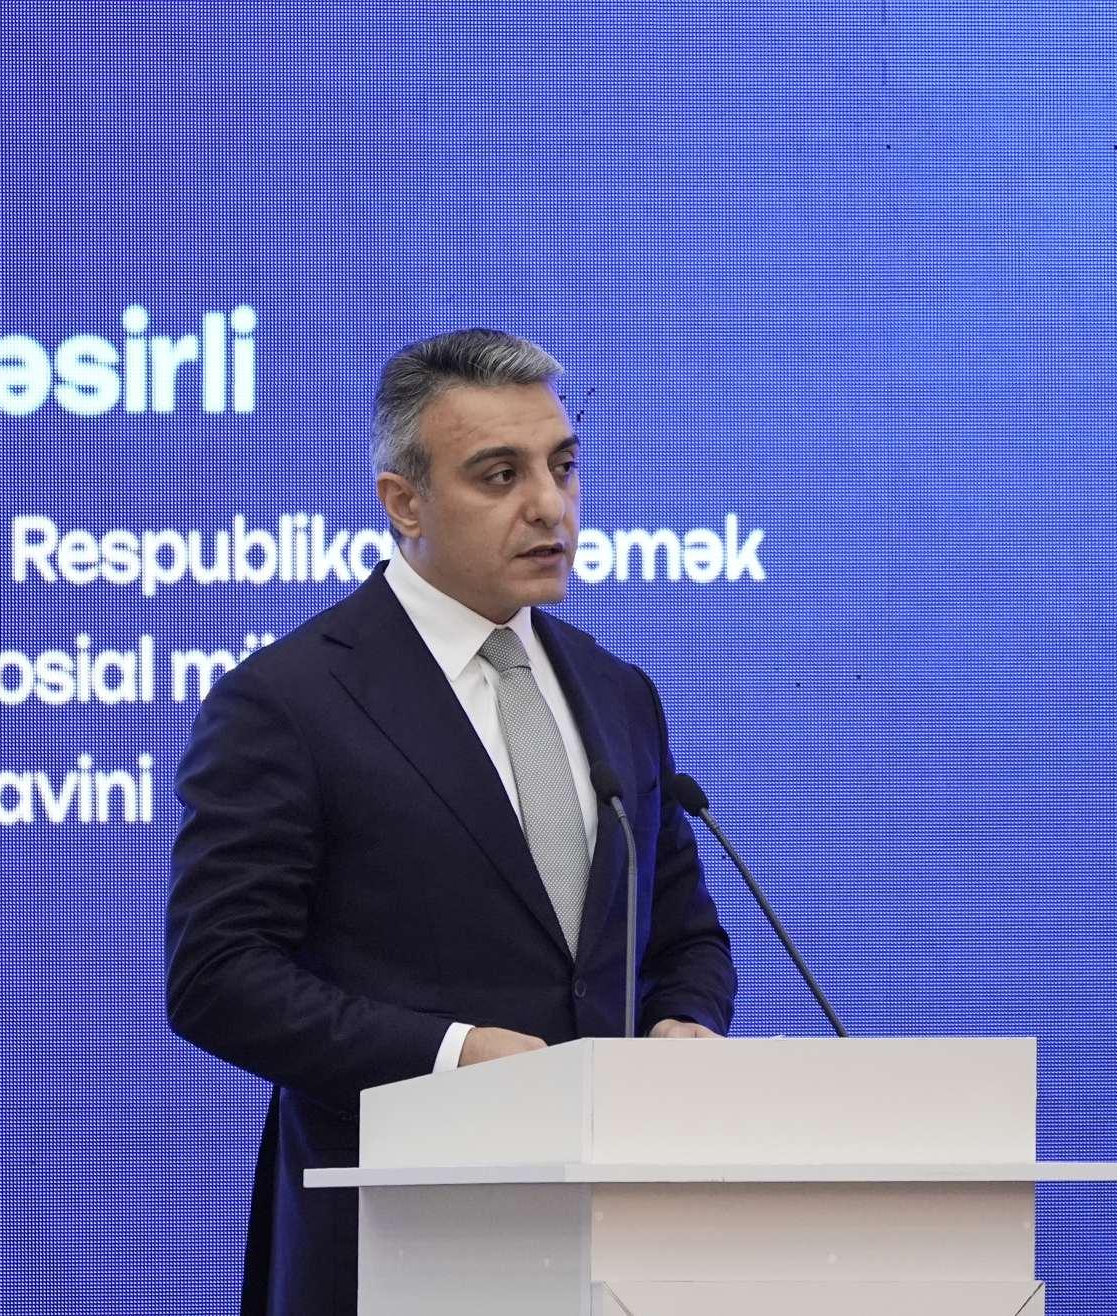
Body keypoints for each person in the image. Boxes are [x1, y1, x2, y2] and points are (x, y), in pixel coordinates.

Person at [165, 328, 737, 1316]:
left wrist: (685, 1020)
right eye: (500, 475)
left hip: (615, 1243)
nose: (550, 504)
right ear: (404, 502)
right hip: (393, 1236)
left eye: (562, 466)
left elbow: (683, 935)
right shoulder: (289, 701)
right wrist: (454, 1054)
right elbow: (217, 977)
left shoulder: (617, 692)